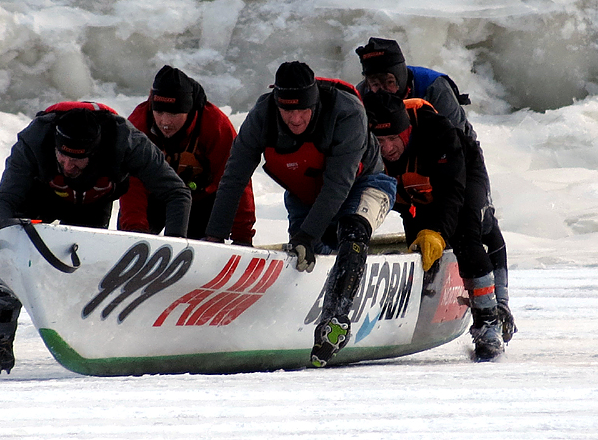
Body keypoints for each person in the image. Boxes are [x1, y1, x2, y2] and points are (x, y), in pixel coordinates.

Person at [0, 102, 192, 376]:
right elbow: (4, 199)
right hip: (38, 196)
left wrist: (175, 251)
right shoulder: (33, 142)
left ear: (96, 152)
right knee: (8, 255)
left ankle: (92, 334)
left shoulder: (127, 143)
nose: (67, 165)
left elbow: (177, 194)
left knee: (85, 268)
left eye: (77, 160)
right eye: (61, 157)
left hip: (92, 202)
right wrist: (3, 252)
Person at [203, 61, 396, 368]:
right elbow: (234, 177)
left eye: (303, 110)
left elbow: (338, 185)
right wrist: (213, 237)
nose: (295, 118)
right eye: (287, 110)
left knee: (352, 232)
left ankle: (336, 321)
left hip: (364, 183)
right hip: (304, 194)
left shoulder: (346, 112)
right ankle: (302, 319)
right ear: (276, 101)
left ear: (315, 101)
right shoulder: (262, 114)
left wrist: (307, 233)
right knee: (308, 258)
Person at [355, 37, 516, 343]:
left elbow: (453, 163)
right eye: (373, 83)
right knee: (422, 226)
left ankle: (499, 307)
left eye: (388, 82)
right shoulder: (364, 97)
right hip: (402, 159)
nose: (381, 90)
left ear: (401, 76)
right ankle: (425, 293)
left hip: (456, 156)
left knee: (473, 223)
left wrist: (443, 223)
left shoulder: (433, 89)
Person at [363, 90, 505, 361]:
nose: (387, 148)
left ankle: (488, 322)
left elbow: (451, 194)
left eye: (393, 138)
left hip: (460, 171)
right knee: (418, 242)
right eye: (379, 140)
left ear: (406, 131)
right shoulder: (361, 139)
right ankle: (418, 300)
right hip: (410, 186)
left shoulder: (435, 130)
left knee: (465, 233)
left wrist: (437, 231)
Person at [119, 65, 256, 244]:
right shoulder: (139, 123)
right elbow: (132, 183)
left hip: (200, 202)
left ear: (189, 110)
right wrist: (135, 232)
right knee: (133, 233)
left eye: (174, 113)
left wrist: (242, 237)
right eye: (159, 112)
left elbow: (236, 180)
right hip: (153, 198)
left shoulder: (215, 124)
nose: (165, 122)